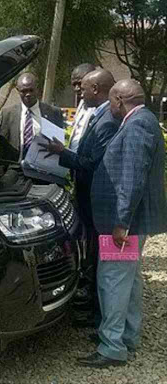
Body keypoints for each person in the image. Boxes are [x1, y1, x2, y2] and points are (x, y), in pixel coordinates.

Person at [77, 79, 167, 368]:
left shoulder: (137, 125)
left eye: (112, 103)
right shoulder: (144, 119)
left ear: (118, 100)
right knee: (127, 279)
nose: (110, 108)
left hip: (123, 223)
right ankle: (126, 335)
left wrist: (121, 223)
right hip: (129, 222)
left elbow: (132, 179)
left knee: (112, 280)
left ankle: (112, 346)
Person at [39, 69, 120, 327]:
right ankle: (100, 315)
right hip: (90, 200)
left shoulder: (107, 119)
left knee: (109, 268)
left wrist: (62, 152)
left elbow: (92, 163)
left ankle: (103, 322)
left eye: (83, 88)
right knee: (97, 258)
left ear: (95, 89)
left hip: (102, 205)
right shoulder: (102, 114)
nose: (79, 93)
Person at [0, 73, 64, 162]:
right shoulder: (7, 114)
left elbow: (59, 146)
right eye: (24, 91)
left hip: (41, 172)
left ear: (37, 89)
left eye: (31, 90)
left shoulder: (53, 113)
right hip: (12, 171)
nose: (28, 94)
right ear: (18, 90)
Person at [69, 63, 97, 153]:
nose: (76, 88)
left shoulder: (101, 108)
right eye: (74, 84)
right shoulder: (82, 103)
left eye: (80, 83)